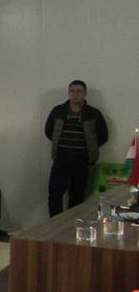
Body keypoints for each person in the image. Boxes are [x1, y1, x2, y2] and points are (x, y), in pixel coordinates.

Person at [45, 80, 109, 216]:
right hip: (61, 159)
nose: (75, 94)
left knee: (77, 195)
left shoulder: (93, 113)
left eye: (79, 91)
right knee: (54, 193)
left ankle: (71, 224)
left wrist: (88, 148)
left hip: (82, 160)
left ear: (85, 94)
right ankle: (55, 223)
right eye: (72, 91)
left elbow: (103, 136)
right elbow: (49, 131)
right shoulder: (58, 111)